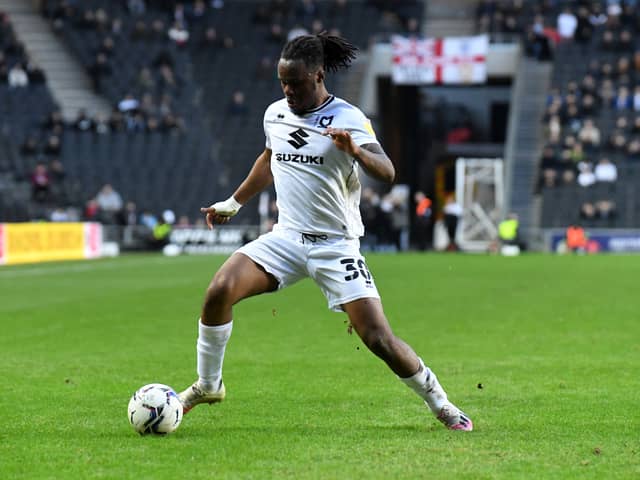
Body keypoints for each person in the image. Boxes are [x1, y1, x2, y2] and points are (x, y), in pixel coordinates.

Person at [177, 33, 473, 431]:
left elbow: (387, 171)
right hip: (285, 239)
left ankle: (442, 404)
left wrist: (355, 151)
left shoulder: (349, 118)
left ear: (317, 76)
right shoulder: (275, 114)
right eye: (283, 83)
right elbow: (269, 157)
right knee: (218, 292)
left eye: (296, 83)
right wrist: (234, 202)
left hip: (336, 246)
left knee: (378, 338)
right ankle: (208, 385)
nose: (288, 91)